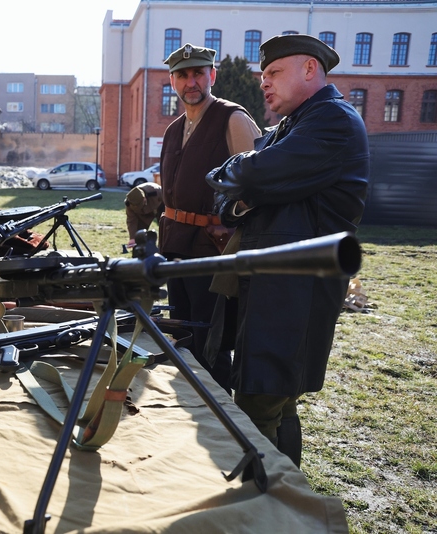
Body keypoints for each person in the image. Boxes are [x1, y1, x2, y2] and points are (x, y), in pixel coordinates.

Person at [205, 34, 369, 467]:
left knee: (261, 405)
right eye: (263, 75)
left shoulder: (332, 121)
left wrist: (247, 183)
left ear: (309, 69)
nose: (264, 83)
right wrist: (246, 188)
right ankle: (283, 497)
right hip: (270, 288)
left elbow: (251, 173)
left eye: (274, 73)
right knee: (270, 399)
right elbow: (224, 193)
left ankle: (267, 505)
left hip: (295, 294)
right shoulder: (292, 127)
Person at [158, 43, 261, 391]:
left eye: (198, 73)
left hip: (211, 251)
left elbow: (258, 188)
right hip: (174, 248)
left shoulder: (232, 119)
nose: (191, 82)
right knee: (183, 337)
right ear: (172, 81)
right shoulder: (173, 130)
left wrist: (231, 228)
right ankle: (192, 405)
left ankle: (225, 421)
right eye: (183, 75)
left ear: (212, 75)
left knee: (211, 343)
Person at [124, 181, 163, 248]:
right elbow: (131, 220)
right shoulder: (130, 202)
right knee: (139, 236)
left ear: (144, 199)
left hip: (161, 206)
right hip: (142, 214)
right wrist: (132, 238)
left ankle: (164, 250)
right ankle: (141, 252)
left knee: (165, 230)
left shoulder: (157, 191)